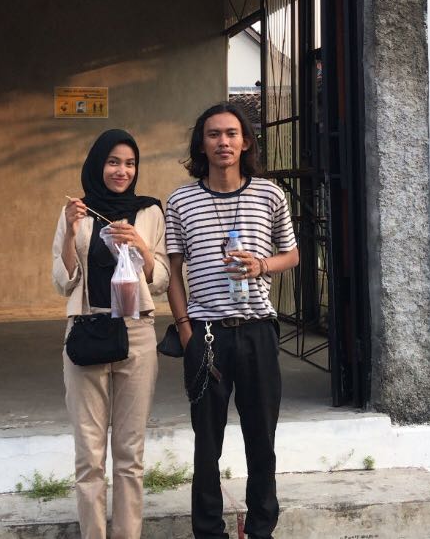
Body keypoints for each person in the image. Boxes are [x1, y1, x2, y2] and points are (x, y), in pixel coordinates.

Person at [165, 103, 299, 539]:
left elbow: (292, 254)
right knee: (207, 444)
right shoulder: (181, 201)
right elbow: (173, 271)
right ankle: (208, 531)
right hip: (206, 335)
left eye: (231, 133)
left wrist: (262, 265)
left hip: (258, 329)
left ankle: (261, 529)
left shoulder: (270, 194)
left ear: (245, 142)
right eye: (213, 134)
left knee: (262, 439)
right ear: (201, 145)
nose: (223, 142)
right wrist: (185, 329)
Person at [52, 129, 170, 539]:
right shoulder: (76, 212)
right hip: (87, 329)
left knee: (129, 453)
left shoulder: (150, 212)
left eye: (130, 163)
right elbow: (62, 281)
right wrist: (71, 232)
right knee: (89, 455)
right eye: (113, 162)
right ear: (97, 164)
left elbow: (161, 280)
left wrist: (141, 246)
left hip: (136, 332)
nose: (122, 171)